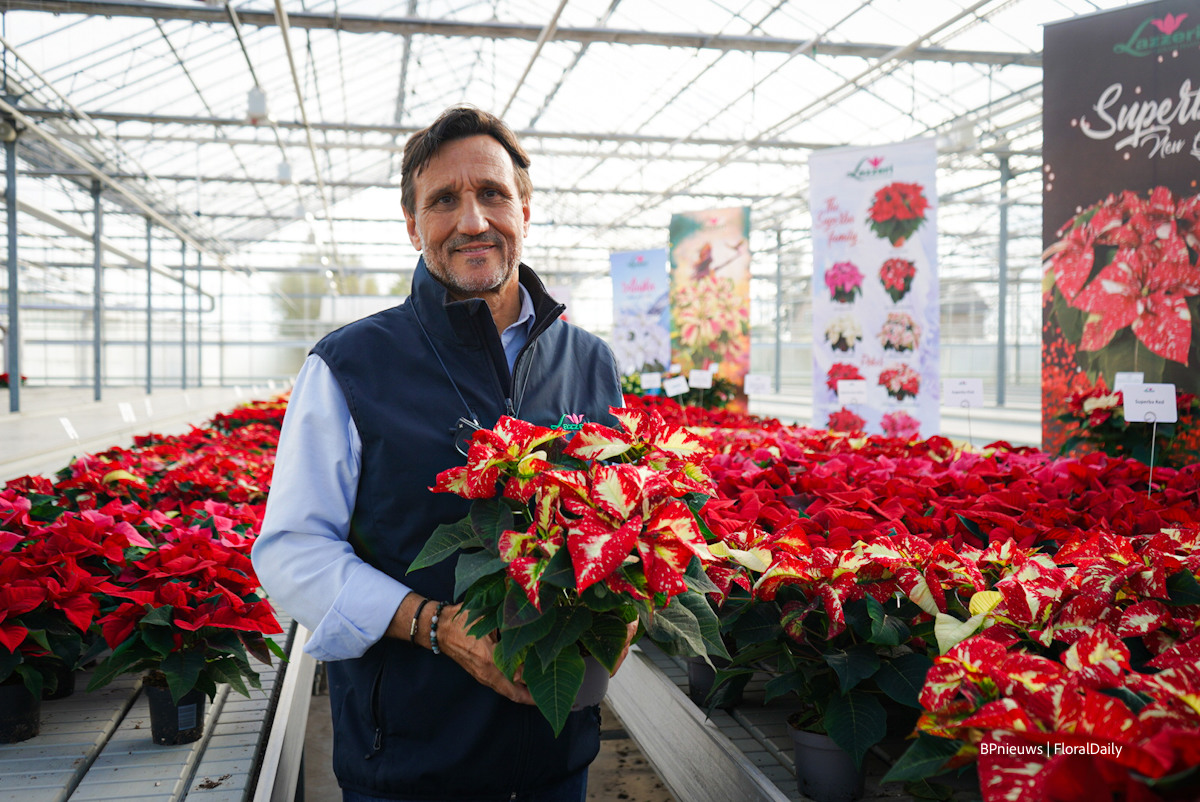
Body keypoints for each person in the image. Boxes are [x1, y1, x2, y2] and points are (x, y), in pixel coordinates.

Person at [251, 106, 624, 801]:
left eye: (492, 194)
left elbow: (621, 520)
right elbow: (293, 552)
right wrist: (434, 625)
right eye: (444, 200)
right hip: (410, 765)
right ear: (412, 223)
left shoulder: (589, 361)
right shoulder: (351, 365)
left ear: (524, 210)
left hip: (556, 760)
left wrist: (625, 610)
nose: (472, 220)